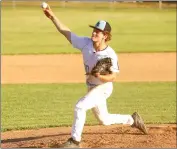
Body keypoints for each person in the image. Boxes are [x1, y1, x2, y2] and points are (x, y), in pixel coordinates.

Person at [42, 4, 148, 148]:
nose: (94, 33)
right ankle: (132, 119)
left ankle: (74, 141)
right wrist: (52, 17)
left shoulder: (110, 54)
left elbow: (113, 77)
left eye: (98, 32)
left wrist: (101, 76)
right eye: (94, 30)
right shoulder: (86, 43)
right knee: (104, 119)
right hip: (91, 87)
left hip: (103, 87)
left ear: (105, 36)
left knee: (79, 107)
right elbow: (66, 32)